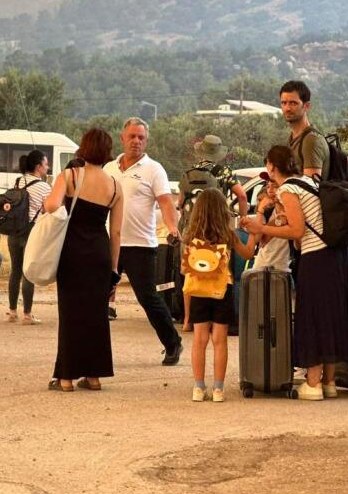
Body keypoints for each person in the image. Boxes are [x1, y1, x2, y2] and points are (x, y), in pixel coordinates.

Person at [243, 145, 348, 400]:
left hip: (317, 259)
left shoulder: (288, 189)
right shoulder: (310, 182)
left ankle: (313, 383)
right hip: (338, 256)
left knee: (313, 317)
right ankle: (329, 382)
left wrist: (259, 227)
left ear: (272, 166)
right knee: (331, 318)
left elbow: (296, 232)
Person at [46, 129, 123, 391]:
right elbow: (116, 232)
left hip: (72, 252)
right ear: (107, 152)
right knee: (95, 315)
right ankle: (93, 376)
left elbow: (51, 206)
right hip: (100, 254)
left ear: (84, 148)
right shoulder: (115, 186)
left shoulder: (70, 175)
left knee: (70, 314)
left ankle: (65, 377)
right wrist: (114, 268)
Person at [104, 117, 183, 365]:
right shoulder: (109, 169)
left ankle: (173, 343)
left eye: (141, 138)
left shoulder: (154, 169)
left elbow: (166, 202)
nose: (136, 142)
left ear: (146, 141)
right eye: (132, 136)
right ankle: (94, 353)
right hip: (110, 244)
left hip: (141, 245)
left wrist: (172, 227)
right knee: (98, 297)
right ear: (122, 138)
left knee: (147, 298)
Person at [183, 189, 257, 403]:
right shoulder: (228, 234)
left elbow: (183, 267)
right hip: (222, 289)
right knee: (219, 340)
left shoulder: (191, 235)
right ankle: (218, 389)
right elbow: (248, 254)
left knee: (199, 339)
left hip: (198, 289)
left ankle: (198, 387)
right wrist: (253, 233)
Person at [177, 134, 248, 330]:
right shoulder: (224, 171)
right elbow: (242, 195)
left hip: (192, 228)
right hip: (218, 230)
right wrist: (242, 218)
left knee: (192, 272)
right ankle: (218, 317)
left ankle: (188, 319)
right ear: (219, 153)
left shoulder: (190, 172)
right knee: (220, 269)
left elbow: (180, 203)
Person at [7, 150, 52, 325]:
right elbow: (48, 209)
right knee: (28, 273)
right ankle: (27, 314)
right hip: (32, 232)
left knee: (15, 271)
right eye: (46, 164)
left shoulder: (18, 181)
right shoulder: (44, 186)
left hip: (14, 231)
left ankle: (12, 312)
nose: (47, 167)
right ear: (38, 166)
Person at [280, 80, 329, 180]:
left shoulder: (312, 140)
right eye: (284, 103)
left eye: (293, 103)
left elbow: (311, 188)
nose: (287, 108)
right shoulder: (292, 139)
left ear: (306, 106)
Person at [250, 179, 291, 271]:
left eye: (275, 186)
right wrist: (260, 210)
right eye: (268, 186)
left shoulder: (292, 212)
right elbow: (257, 239)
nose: (270, 190)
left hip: (283, 269)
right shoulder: (267, 212)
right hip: (261, 267)